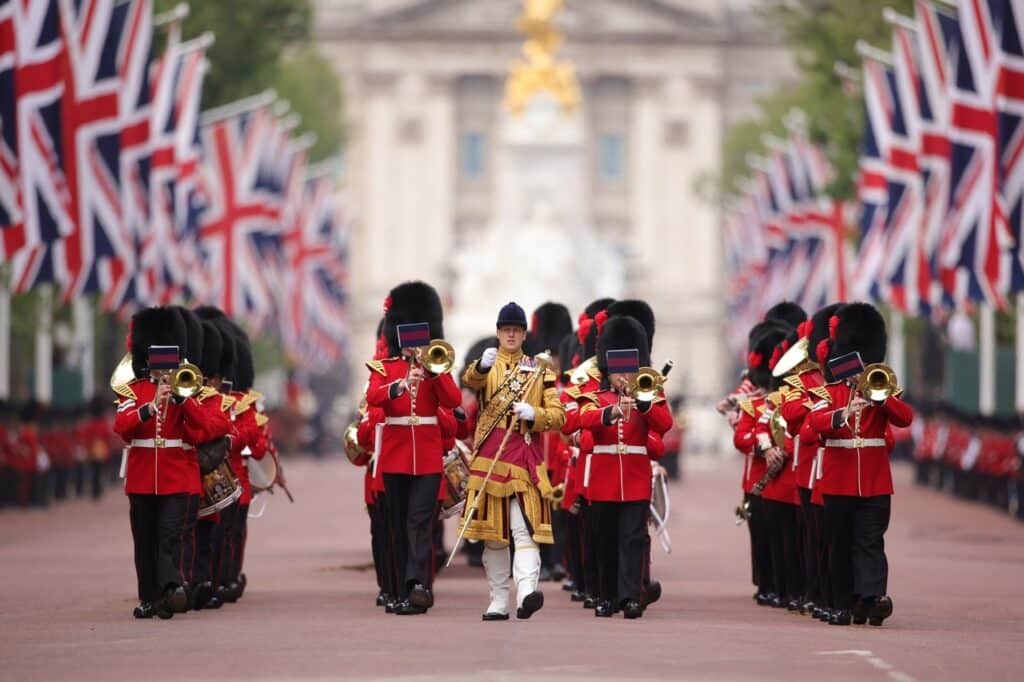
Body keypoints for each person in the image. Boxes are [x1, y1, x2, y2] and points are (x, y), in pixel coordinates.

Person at [113, 306, 232, 620]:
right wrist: (150, 408)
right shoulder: (134, 391)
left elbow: (206, 427)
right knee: (145, 540)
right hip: (142, 475)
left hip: (176, 476)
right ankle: (149, 598)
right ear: (147, 358)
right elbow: (122, 425)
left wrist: (182, 400)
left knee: (170, 535)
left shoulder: (186, 390)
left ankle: (171, 589)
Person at [808, 302, 913, 627]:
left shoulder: (881, 386)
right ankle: (843, 604)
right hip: (838, 479)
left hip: (875, 479)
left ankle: (872, 598)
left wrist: (881, 398)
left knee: (870, 541)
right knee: (839, 543)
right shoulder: (831, 391)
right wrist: (843, 413)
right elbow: (814, 422)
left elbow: (905, 418)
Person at [459, 301, 566, 621]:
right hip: (490, 458)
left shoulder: (540, 371)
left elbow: (558, 416)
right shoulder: (486, 366)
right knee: (493, 537)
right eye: (506, 330)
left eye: (516, 330)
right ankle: (498, 600)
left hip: (522, 458)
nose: (510, 335)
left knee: (524, 531)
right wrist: (480, 367)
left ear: (523, 335)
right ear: (498, 333)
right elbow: (469, 383)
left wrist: (535, 415)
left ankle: (527, 592)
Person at [366, 281, 462, 615]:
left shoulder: (436, 368)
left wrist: (432, 373)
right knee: (396, 524)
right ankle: (395, 588)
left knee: (419, 521)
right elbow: (373, 397)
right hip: (395, 456)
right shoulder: (383, 370)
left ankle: (417, 585)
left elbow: (453, 400)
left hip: (426, 458)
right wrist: (400, 386)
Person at [577, 316, 672, 618]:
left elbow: (665, 424)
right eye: (618, 369)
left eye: (629, 368)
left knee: (631, 539)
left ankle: (630, 597)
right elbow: (580, 419)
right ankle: (606, 597)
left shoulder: (649, 395)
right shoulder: (596, 397)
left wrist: (644, 405)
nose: (624, 375)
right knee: (604, 540)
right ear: (608, 368)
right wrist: (612, 412)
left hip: (634, 477)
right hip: (604, 479)